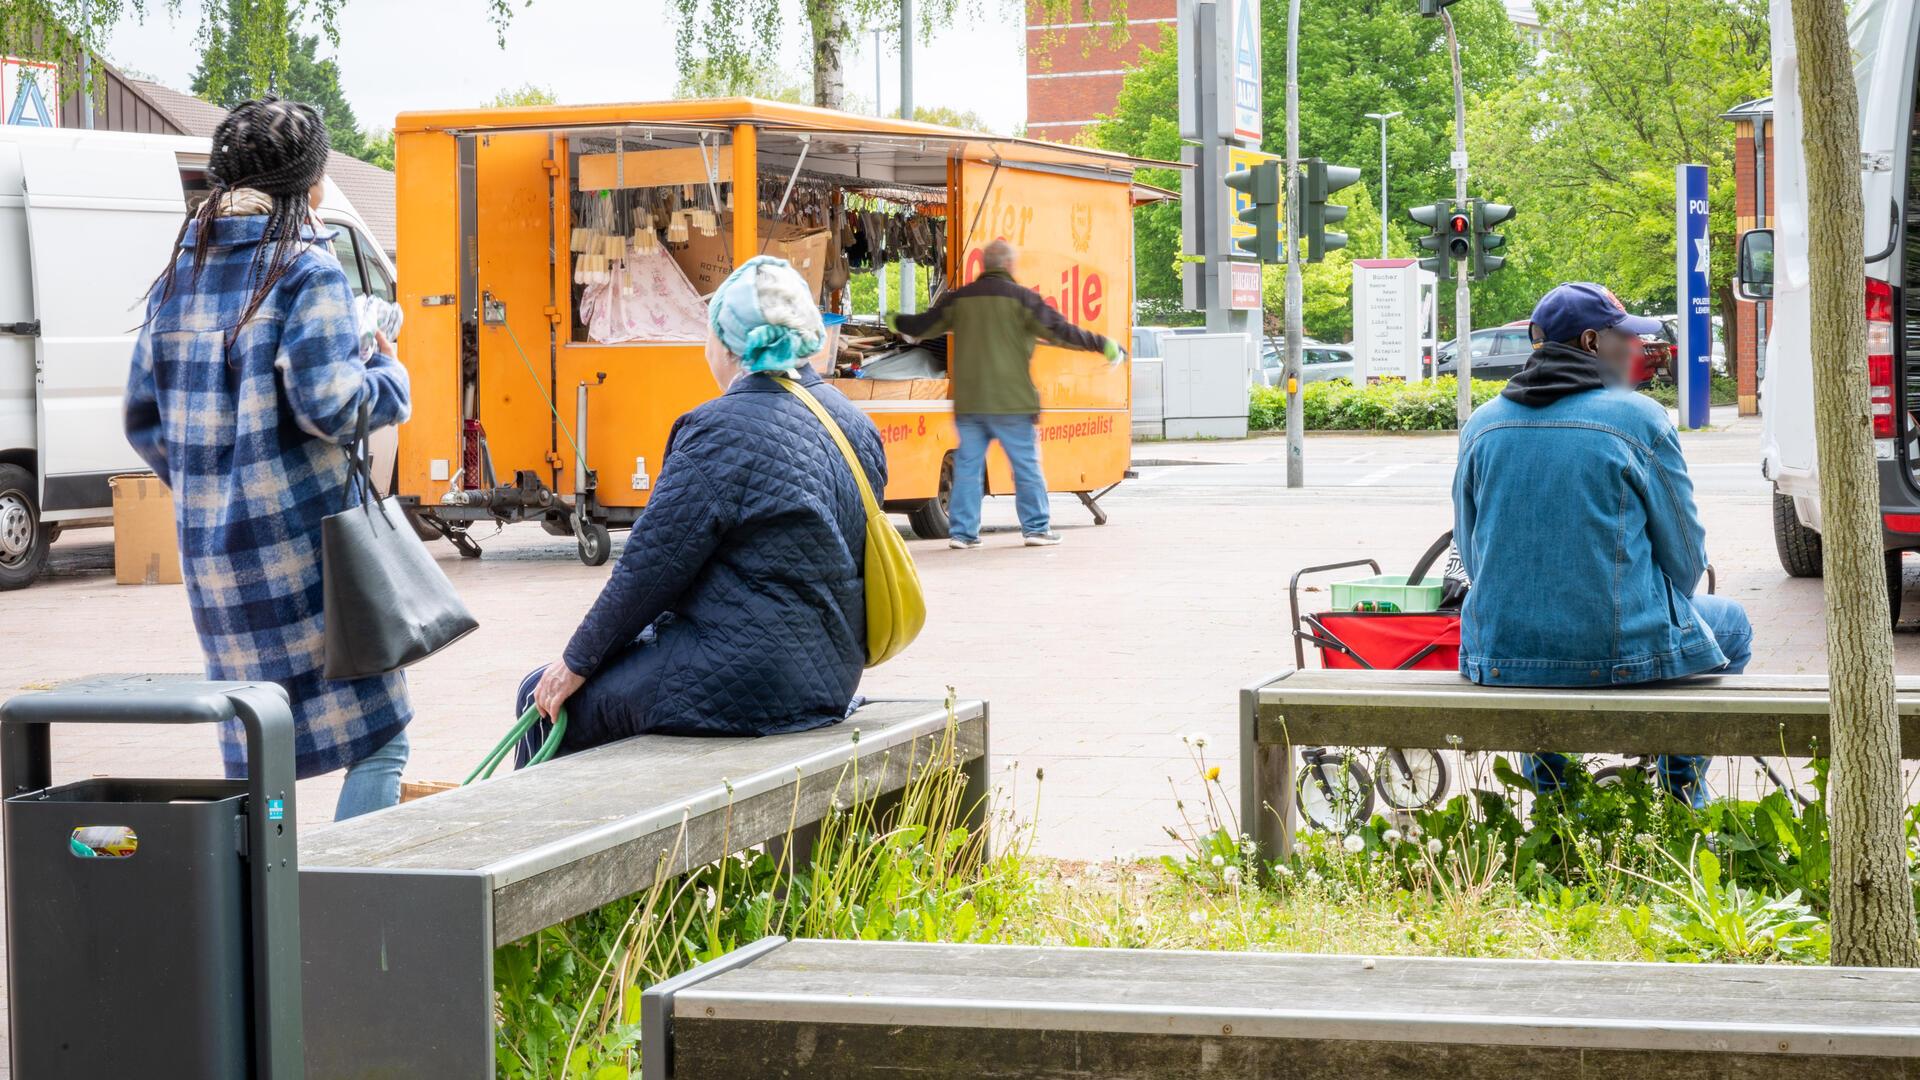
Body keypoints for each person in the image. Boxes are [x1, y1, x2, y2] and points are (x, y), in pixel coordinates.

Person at [124, 98, 414, 820]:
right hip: (306, 558)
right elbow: (332, 408)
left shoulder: (177, 277)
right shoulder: (306, 273)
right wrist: (389, 374)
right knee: (381, 738)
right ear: (311, 188)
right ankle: (341, 906)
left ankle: (267, 917)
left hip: (215, 561)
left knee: (263, 748)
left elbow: (142, 419)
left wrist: (213, 481)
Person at [517, 256, 885, 754]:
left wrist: (574, 664)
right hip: (831, 677)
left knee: (540, 700)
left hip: (742, 681)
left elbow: (650, 567)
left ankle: (546, 833)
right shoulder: (854, 424)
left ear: (732, 344)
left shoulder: (719, 428)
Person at [1452, 282, 1753, 807]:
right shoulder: (1638, 418)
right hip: (1614, 653)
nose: (1635, 350)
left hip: (1502, 655)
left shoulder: (1482, 424)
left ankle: (1556, 807)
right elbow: (1685, 560)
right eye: (1624, 338)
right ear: (1591, 342)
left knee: (1537, 643)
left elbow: (1474, 555)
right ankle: (1682, 794)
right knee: (1733, 625)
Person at [887, 239, 1122, 549]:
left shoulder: (960, 299)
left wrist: (894, 320)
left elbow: (922, 326)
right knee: (1024, 465)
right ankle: (1036, 528)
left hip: (971, 402)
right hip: (1012, 402)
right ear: (1010, 266)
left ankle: (962, 534)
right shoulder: (1023, 300)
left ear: (985, 266)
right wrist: (1104, 345)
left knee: (968, 466)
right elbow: (1063, 331)